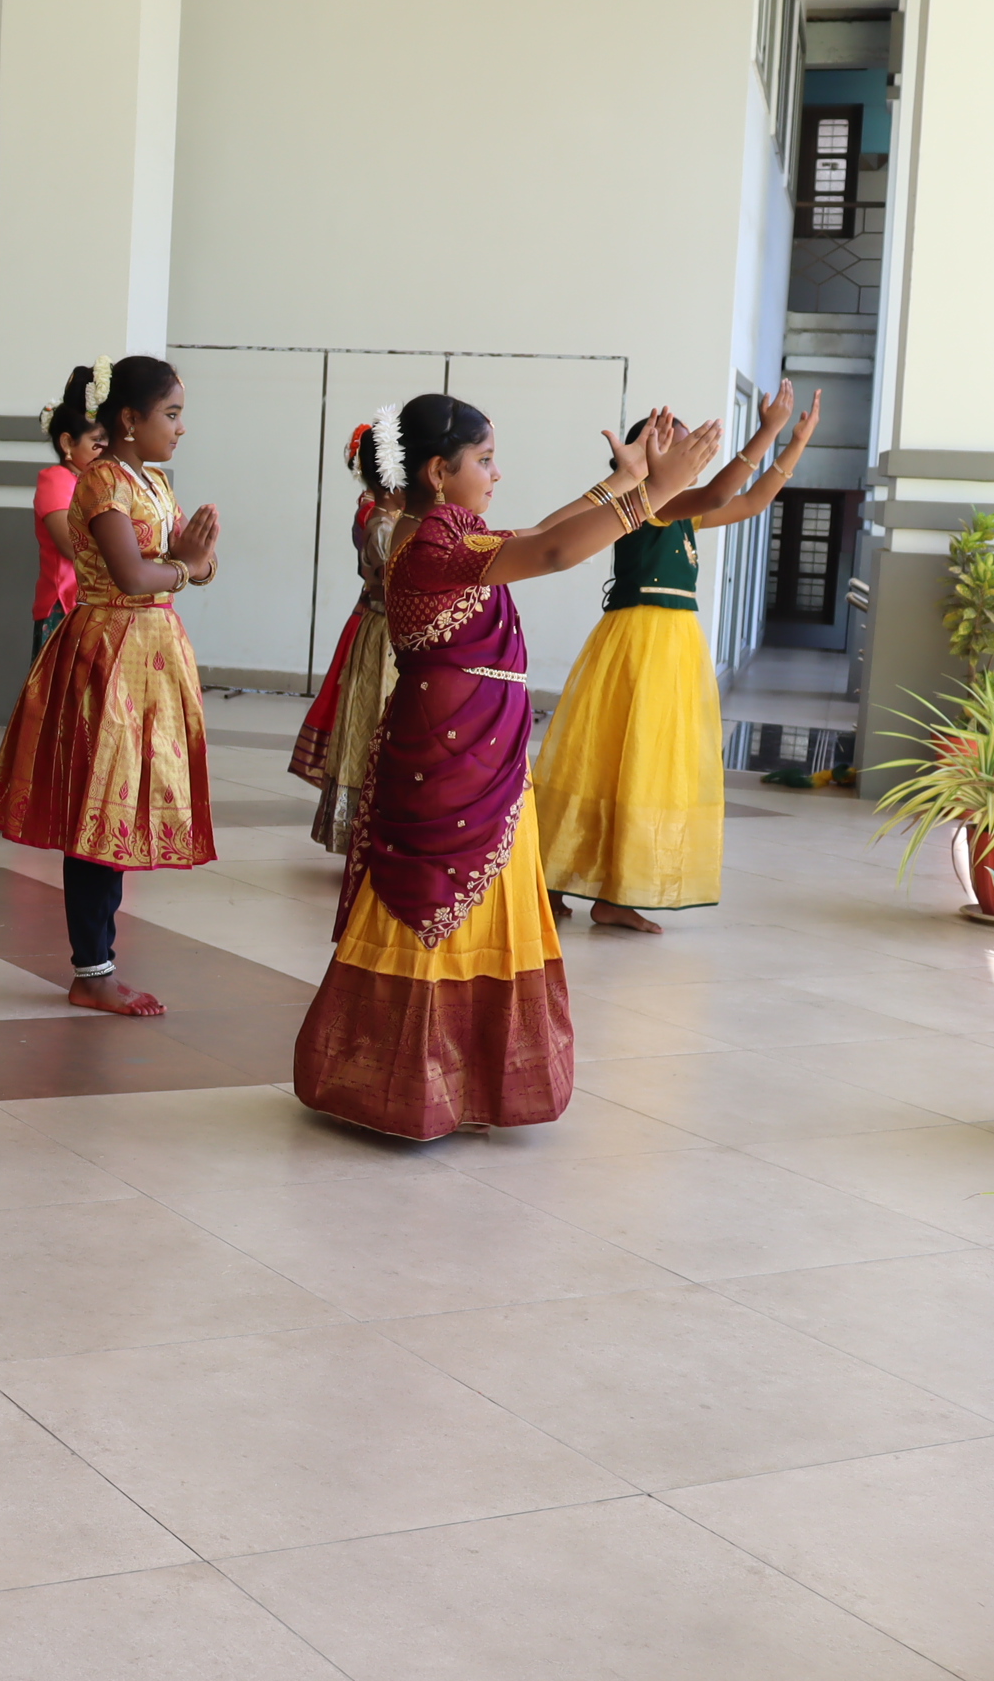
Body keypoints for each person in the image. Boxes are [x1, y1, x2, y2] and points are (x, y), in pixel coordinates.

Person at [293, 393, 721, 1140]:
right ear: (438, 471)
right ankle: (407, 1088)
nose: (497, 473)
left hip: (478, 749)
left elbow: (544, 534)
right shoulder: (430, 544)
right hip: (448, 754)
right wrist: (656, 489)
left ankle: (462, 1079)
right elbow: (552, 553)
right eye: (485, 460)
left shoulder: (451, 531)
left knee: (480, 901)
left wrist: (623, 483)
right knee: (436, 901)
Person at [0, 355, 218, 1016]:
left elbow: (190, 563)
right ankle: (93, 970)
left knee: (122, 808)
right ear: (130, 420)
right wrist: (185, 567)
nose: (180, 428)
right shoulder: (101, 482)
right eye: (171, 415)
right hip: (108, 655)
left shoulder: (153, 482)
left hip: (151, 654)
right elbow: (134, 576)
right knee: (98, 810)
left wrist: (190, 563)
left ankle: (99, 964)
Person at [530, 381, 816, 932]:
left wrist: (795, 441)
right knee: (608, 761)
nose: (691, 455)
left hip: (674, 644)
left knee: (644, 768)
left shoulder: (680, 511)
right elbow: (717, 494)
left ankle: (615, 894)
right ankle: (553, 876)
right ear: (646, 457)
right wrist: (768, 431)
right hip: (638, 641)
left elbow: (751, 501)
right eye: (679, 445)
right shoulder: (648, 506)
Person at [290, 434, 404, 856]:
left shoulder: (389, 516)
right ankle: (372, 832)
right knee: (376, 724)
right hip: (384, 634)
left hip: (386, 628)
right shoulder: (381, 523)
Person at [29, 400, 105, 656]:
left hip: (95, 604)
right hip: (65, 606)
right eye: (97, 439)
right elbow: (72, 546)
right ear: (67, 443)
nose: (105, 447)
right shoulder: (57, 479)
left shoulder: (94, 481)